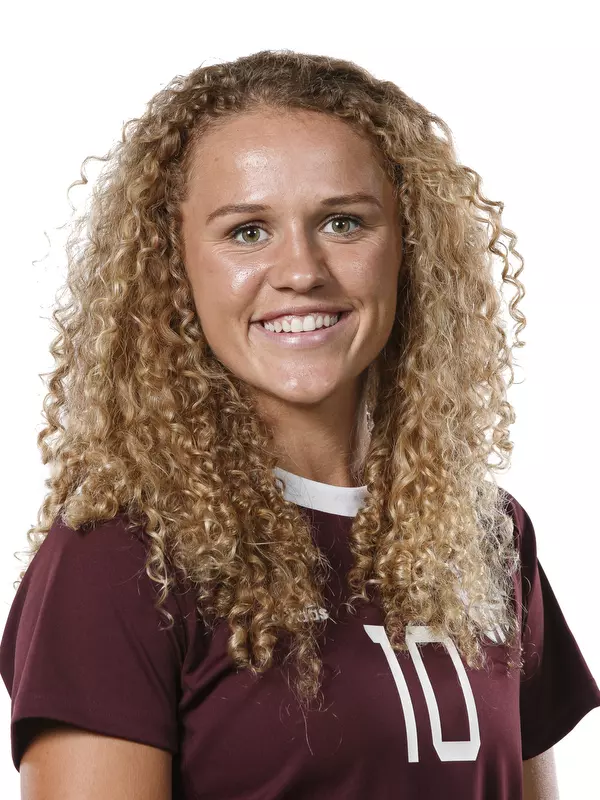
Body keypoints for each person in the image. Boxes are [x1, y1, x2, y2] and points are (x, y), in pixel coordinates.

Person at [0, 48, 598, 800]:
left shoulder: (487, 536)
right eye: (247, 231)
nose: (301, 269)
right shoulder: (122, 554)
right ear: (173, 266)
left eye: (343, 222)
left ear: (409, 251)